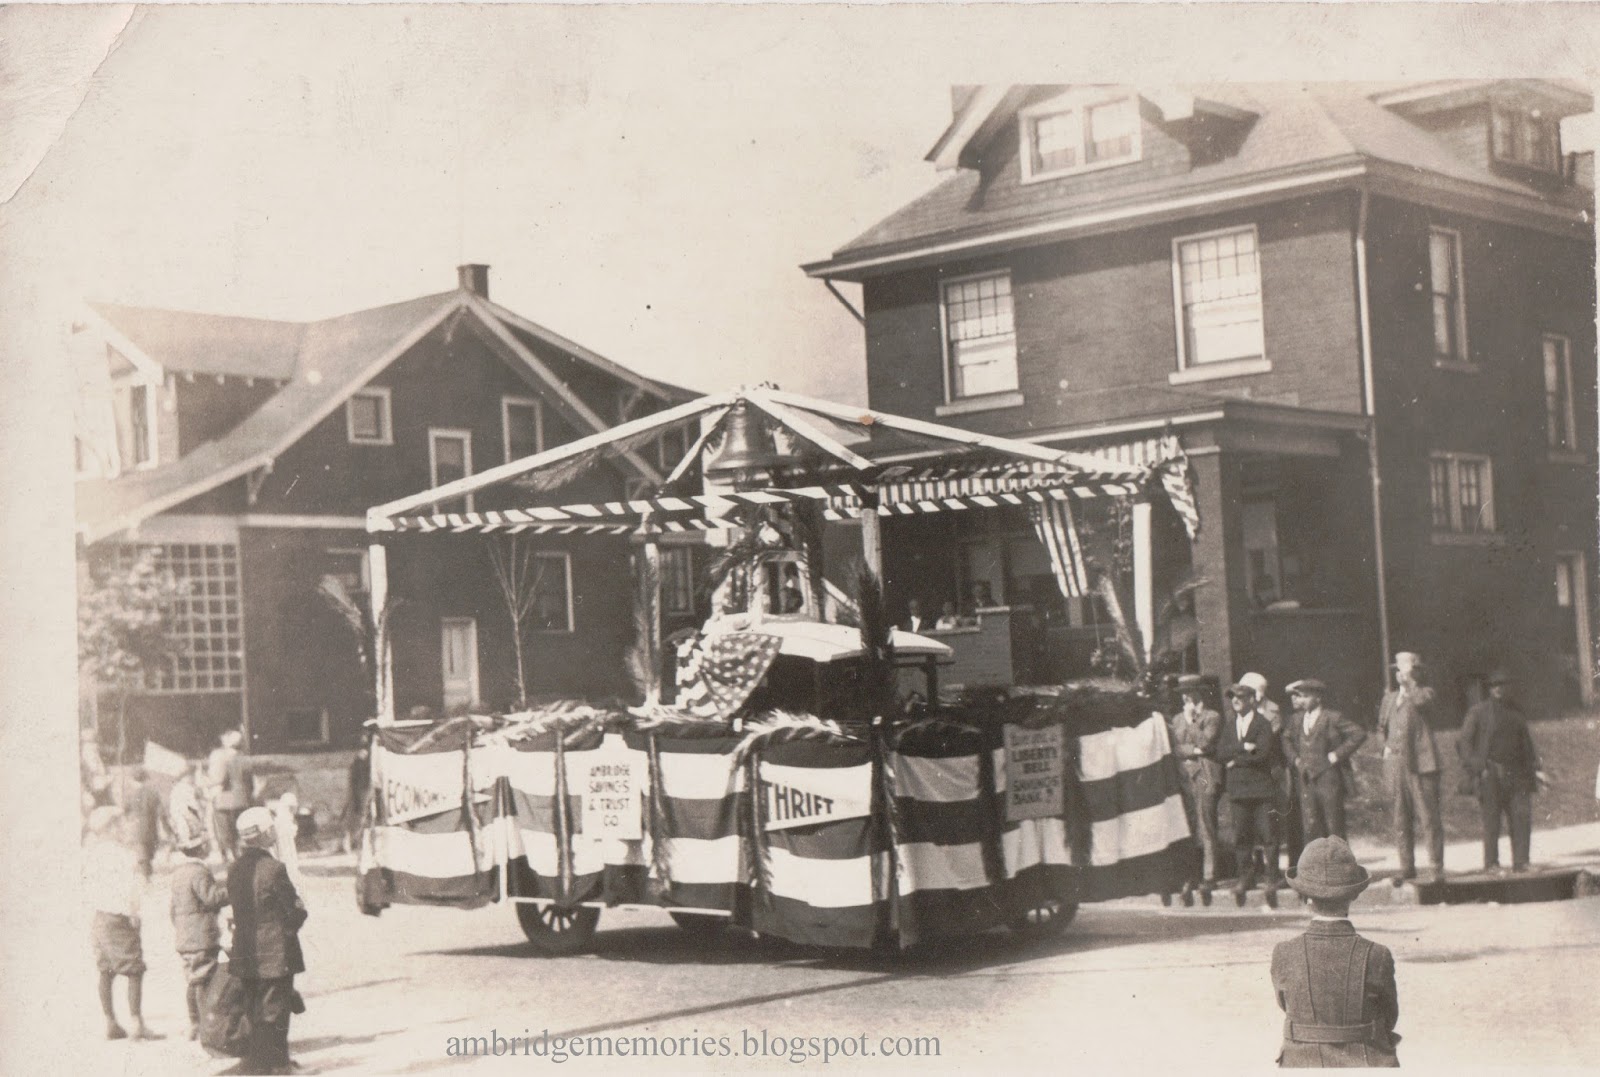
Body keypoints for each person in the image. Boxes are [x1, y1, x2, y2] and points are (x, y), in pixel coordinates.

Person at [1272, 836, 1400, 1067]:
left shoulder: (1284, 953)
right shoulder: (1377, 955)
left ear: (1305, 897)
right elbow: (1389, 1017)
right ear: (1354, 895)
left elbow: (1287, 1005)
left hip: (1302, 1064)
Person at [228, 806, 309, 1076]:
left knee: (254, 1008)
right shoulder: (274, 869)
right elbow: (294, 911)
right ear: (264, 834)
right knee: (276, 1010)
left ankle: (259, 1063)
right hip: (275, 951)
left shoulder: (235, 868)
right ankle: (279, 1065)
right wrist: (293, 923)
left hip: (245, 951)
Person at [1457, 669, 1550, 873]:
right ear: (1489, 689)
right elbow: (1463, 743)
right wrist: (1478, 767)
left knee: (1521, 819)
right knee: (1492, 821)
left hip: (1517, 775)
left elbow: (1526, 745)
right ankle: (1491, 864)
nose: (1498, 689)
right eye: (1494, 685)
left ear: (1509, 687)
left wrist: (1536, 769)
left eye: (1502, 685)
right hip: (1491, 774)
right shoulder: (1478, 712)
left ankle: (1521, 862)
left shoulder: (1516, 713)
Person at [84, 807, 160, 1042]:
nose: (123, 827)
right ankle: (137, 1022)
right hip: (119, 916)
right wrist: (134, 913)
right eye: (119, 824)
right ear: (110, 828)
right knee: (134, 969)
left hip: (99, 917)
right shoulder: (122, 854)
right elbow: (130, 888)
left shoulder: (91, 855)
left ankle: (110, 1021)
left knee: (105, 969)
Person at [1376, 652, 1444, 884]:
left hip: (1421, 764)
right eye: (1398, 671)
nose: (1401, 675)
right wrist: (1384, 747)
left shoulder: (1425, 693)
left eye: (1406, 671)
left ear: (1417, 673)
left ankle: (1435, 867)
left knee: (1428, 817)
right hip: (1396, 764)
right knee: (1400, 818)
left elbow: (1421, 702)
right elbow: (1381, 727)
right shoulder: (1389, 699)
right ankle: (1407, 867)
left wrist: (1411, 685)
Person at [1217, 682, 1282, 906]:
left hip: (1261, 788)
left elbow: (1263, 753)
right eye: (1232, 697)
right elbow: (1221, 752)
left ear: (1252, 700)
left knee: (1268, 836)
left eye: (1241, 697)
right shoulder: (1229, 725)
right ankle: (1246, 877)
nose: (1235, 701)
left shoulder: (1262, 724)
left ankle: (1272, 878)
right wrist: (1244, 747)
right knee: (1241, 836)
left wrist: (1236, 759)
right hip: (1238, 789)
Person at [1283, 679, 1367, 845]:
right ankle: (1316, 861)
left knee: (1334, 824)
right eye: (1300, 696)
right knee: (1310, 826)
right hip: (1306, 780)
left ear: (1318, 698)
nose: (1301, 700)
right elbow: (1286, 739)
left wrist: (1336, 755)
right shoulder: (1297, 719)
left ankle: (1339, 860)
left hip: (1329, 779)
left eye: (1306, 696)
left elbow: (1358, 734)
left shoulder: (1332, 718)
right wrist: (1295, 759)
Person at [169, 824, 228, 1041]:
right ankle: (204, 1023)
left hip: (185, 937)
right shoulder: (200, 872)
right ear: (201, 848)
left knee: (193, 979)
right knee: (205, 979)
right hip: (202, 936)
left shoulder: (179, 873)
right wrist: (231, 890)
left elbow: (173, 909)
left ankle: (194, 1021)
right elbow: (211, 898)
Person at [1167, 674, 1222, 905]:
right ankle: (1190, 876)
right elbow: (1175, 748)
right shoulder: (1177, 719)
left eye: (1190, 693)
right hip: (1184, 776)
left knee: (1205, 824)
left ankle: (1209, 875)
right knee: (1187, 827)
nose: (1186, 698)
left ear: (1199, 694)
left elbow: (1206, 743)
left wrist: (1192, 723)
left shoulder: (1212, 716)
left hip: (1205, 775)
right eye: (1183, 694)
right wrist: (1194, 750)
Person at [206, 729, 251, 862]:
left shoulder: (221, 757)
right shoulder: (244, 758)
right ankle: (239, 855)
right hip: (242, 798)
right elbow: (249, 780)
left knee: (224, 829)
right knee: (238, 829)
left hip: (225, 797)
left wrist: (205, 781)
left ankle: (228, 856)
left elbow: (219, 778)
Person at [121, 766, 164, 879]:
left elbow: (124, 810)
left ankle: (146, 877)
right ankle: (147, 874)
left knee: (142, 852)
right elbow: (161, 811)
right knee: (149, 852)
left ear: (133, 779)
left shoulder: (131, 794)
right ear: (145, 778)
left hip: (137, 827)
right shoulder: (153, 793)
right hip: (151, 827)